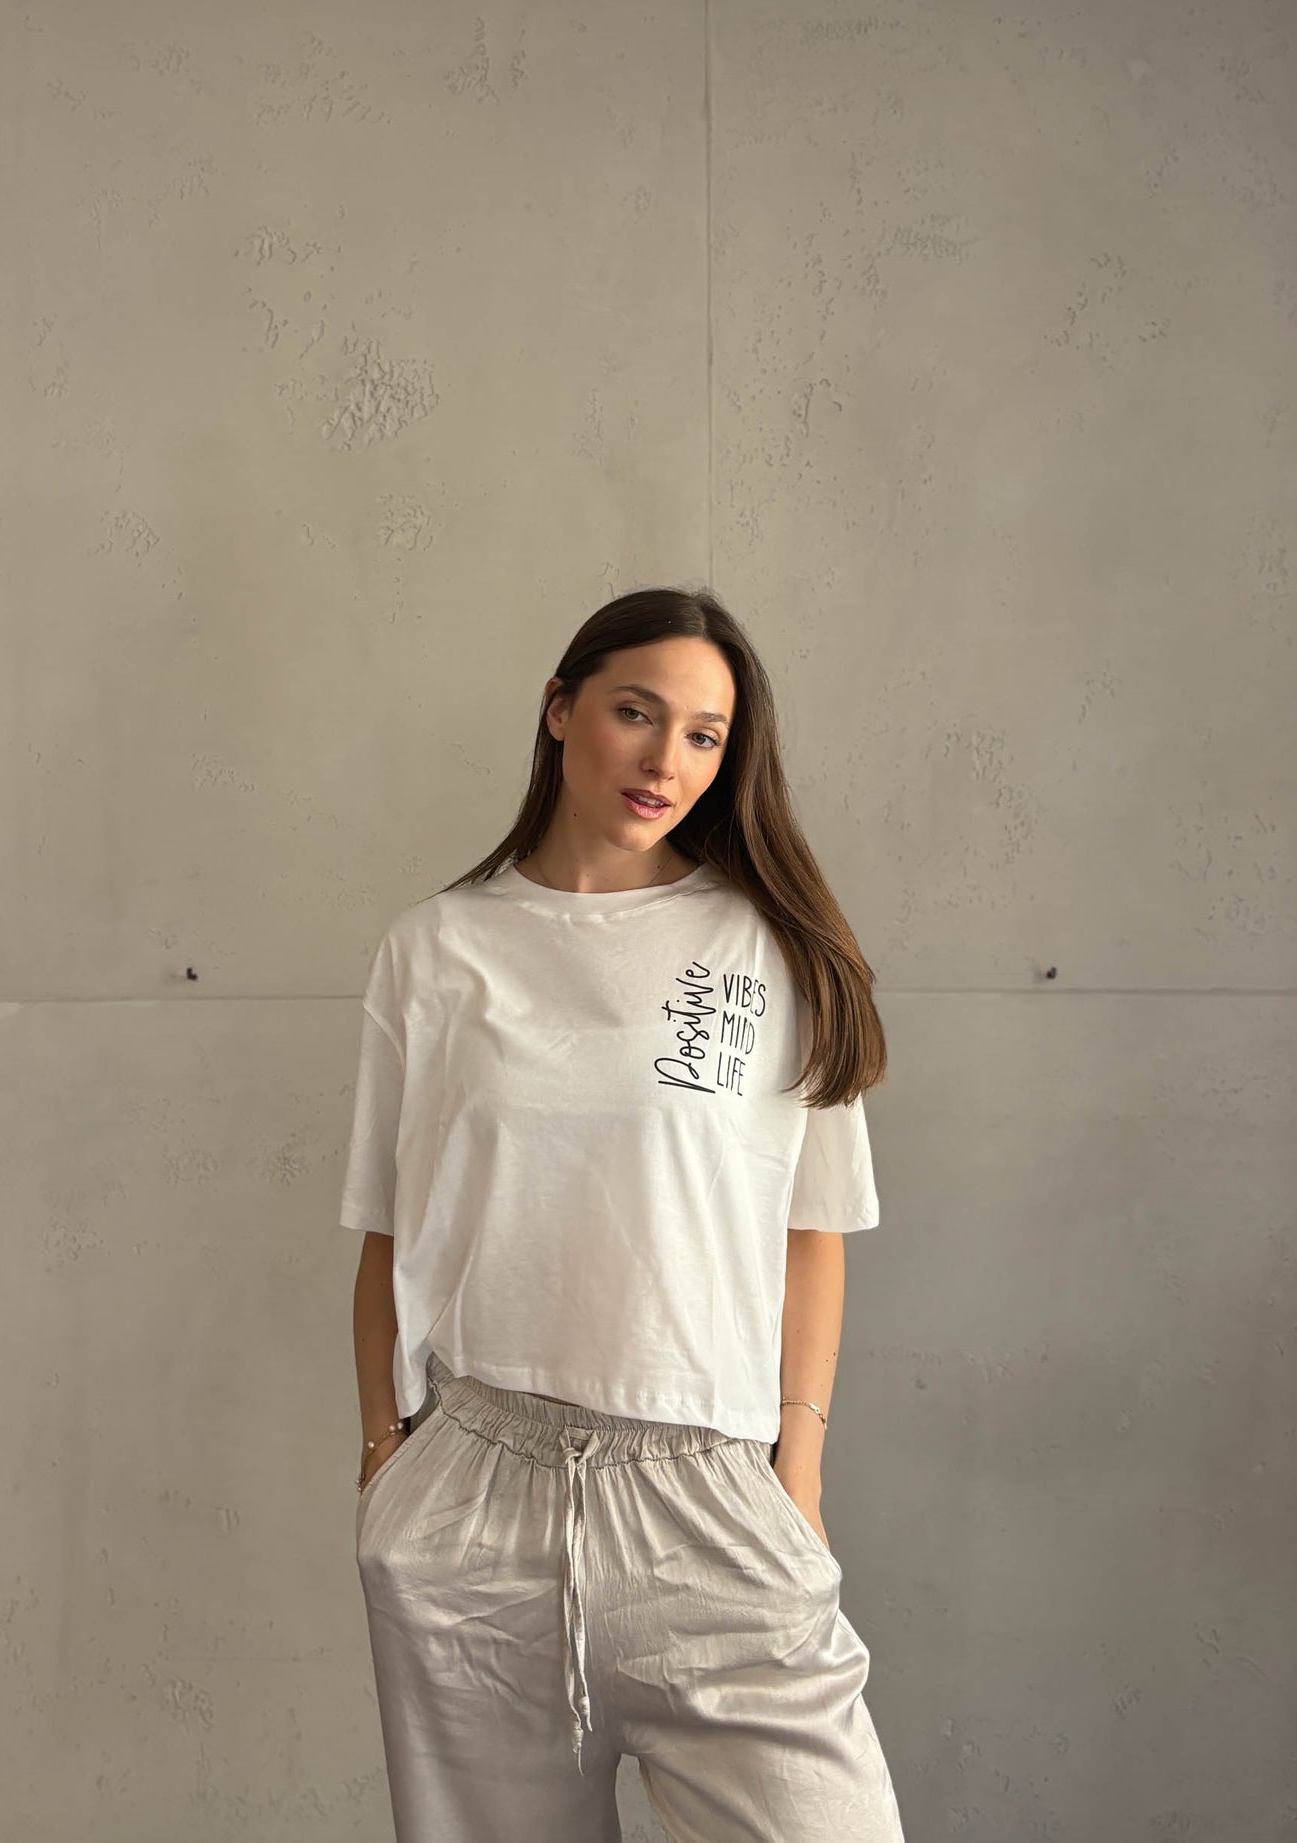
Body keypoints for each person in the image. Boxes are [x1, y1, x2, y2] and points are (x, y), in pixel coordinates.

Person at [341, 586, 905, 1841]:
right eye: (634, 713)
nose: (665, 759)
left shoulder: (774, 950)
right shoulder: (434, 950)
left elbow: (812, 1232)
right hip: (473, 1502)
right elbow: (389, 1227)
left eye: (704, 734)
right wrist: (385, 1461)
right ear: (558, 711)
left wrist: (794, 1474)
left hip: (709, 1493)